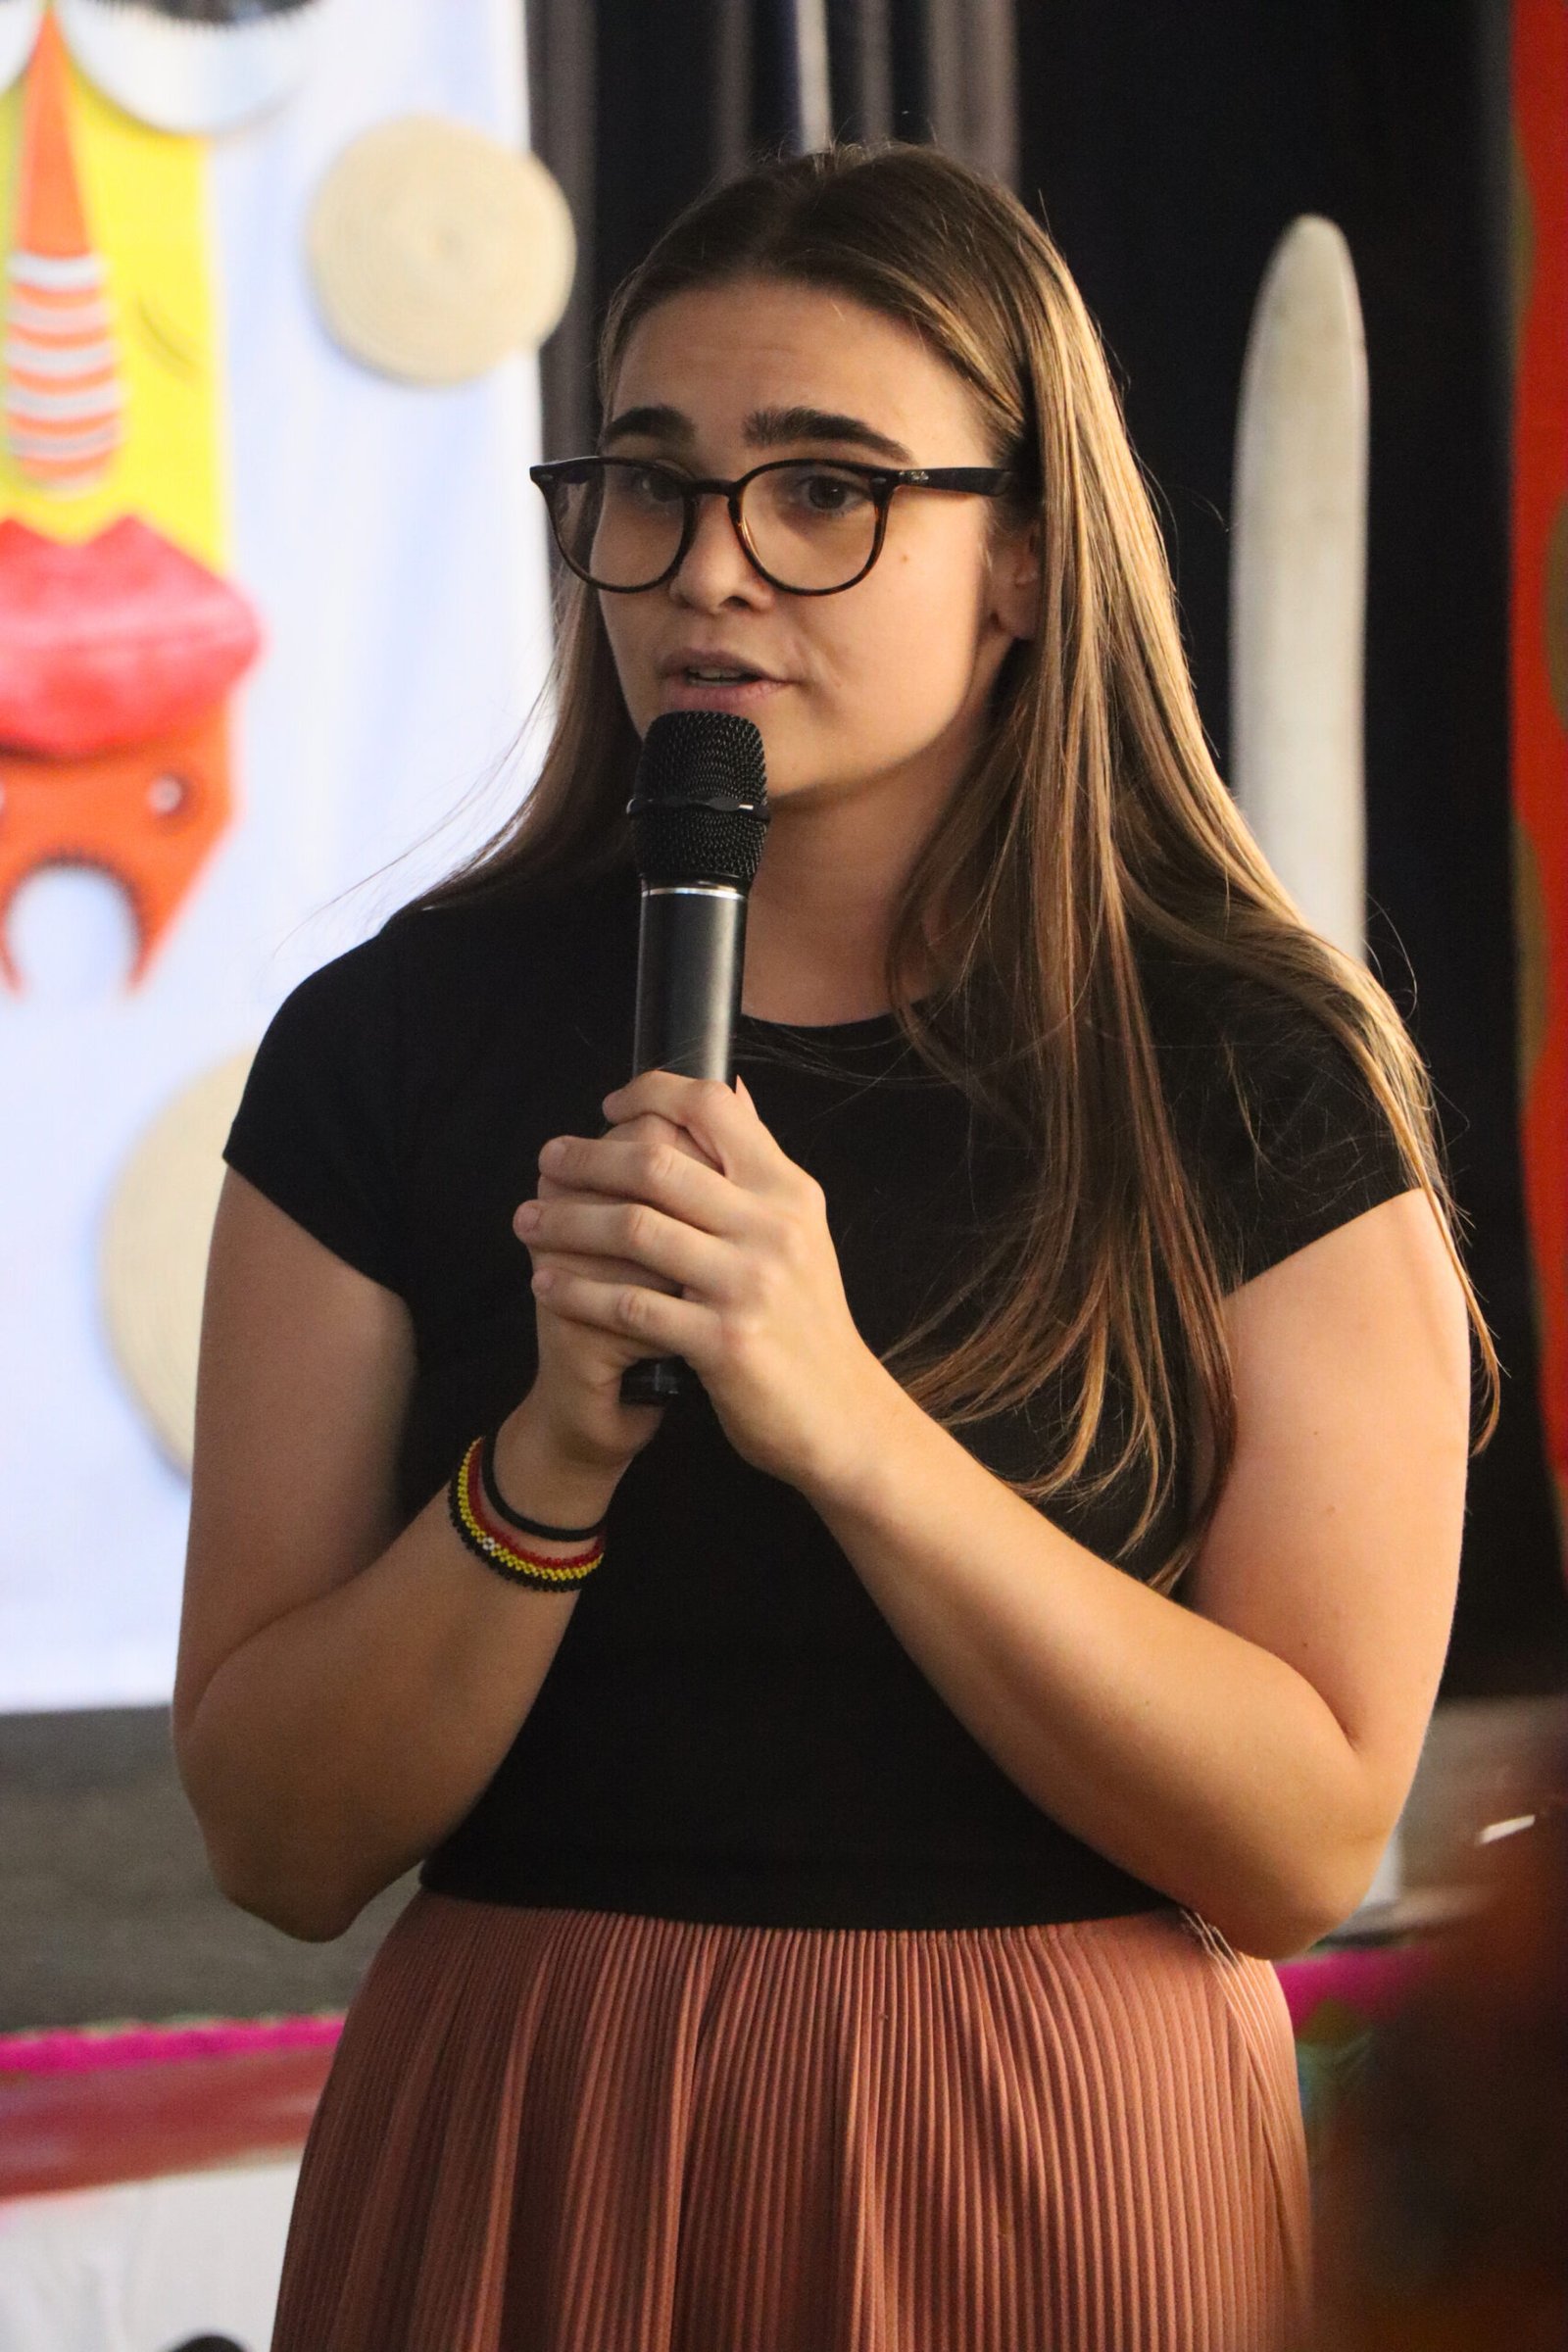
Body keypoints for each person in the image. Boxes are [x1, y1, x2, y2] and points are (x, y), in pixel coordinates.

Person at [174, 142, 1493, 2352]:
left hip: (1056, 2157)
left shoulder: (1250, 1071)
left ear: (1025, 560)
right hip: (530, 2136)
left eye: (822, 491)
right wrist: (547, 1464)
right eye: (650, 483)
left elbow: (1299, 1846)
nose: (710, 569)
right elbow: (277, 1846)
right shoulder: (391, 1042)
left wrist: (846, 1421)